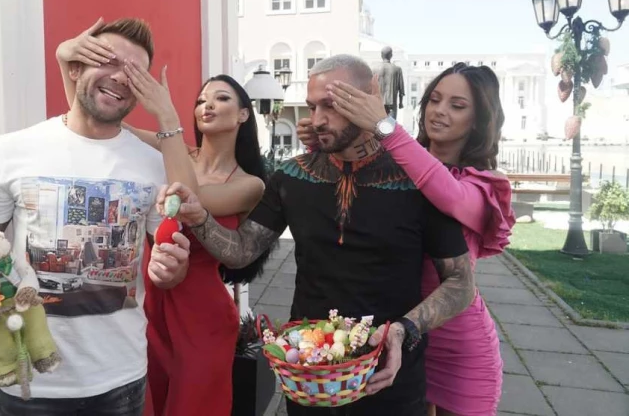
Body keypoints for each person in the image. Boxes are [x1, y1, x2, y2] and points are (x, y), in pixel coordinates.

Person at [160, 54, 477, 416]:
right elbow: (243, 250)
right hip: (309, 376)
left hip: (389, 378)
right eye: (312, 106)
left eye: (331, 105)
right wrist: (200, 217)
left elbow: (461, 283)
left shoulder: (418, 179)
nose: (317, 119)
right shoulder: (292, 177)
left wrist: (405, 329)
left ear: (369, 96)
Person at [0, 18, 191, 416]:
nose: (121, 76)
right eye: (108, 60)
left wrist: (172, 270)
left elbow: (168, 268)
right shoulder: (11, 150)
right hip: (31, 382)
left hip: (121, 379)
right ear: (75, 68)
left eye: (134, 71)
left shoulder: (153, 164)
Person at [56, 19, 267, 416]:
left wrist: (167, 116)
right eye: (201, 100)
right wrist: (64, 59)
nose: (206, 105)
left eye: (221, 98)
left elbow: (191, 199)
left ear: (243, 115)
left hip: (202, 313)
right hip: (150, 304)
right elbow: (94, 124)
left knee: (193, 405)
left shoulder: (248, 183)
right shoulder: (174, 151)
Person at [300, 62, 515, 416]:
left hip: (456, 346)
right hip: (399, 340)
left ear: (478, 121)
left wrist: (383, 124)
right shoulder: (401, 162)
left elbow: (445, 193)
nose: (439, 111)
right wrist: (324, 143)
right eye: (434, 99)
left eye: (457, 105)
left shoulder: (480, 185)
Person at [377, 46, 404, 119]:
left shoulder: (375, 69)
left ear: (381, 55)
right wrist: (401, 103)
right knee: (391, 124)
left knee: (378, 123)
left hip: (379, 103)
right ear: (391, 55)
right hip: (392, 103)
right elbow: (401, 88)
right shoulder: (397, 69)